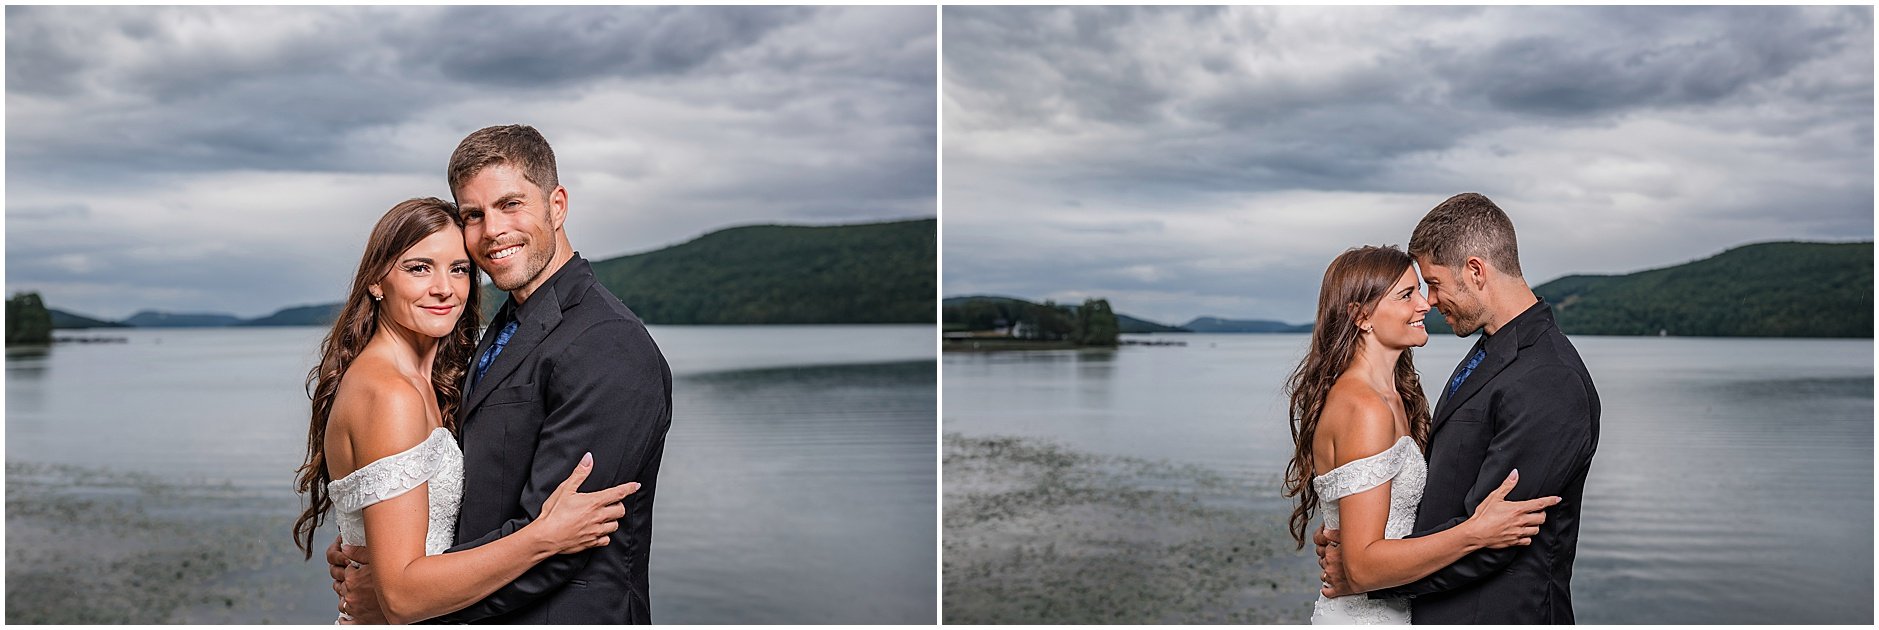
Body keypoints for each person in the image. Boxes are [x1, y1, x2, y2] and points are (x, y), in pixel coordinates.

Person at [328, 125, 675, 624]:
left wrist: (397, 599)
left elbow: (563, 544)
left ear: (557, 206)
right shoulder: (503, 328)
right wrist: (376, 548)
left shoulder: (606, 343)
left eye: (510, 204)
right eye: (473, 214)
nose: (492, 231)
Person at [1315, 193, 1601, 624]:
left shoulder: (1548, 377)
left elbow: (1499, 538)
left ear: (1475, 271)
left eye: (1432, 283)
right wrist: (1361, 540)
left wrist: (1365, 576)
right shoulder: (1490, 353)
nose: (1428, 302)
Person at [1284, 245, 1558, 624]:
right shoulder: (1366, 409)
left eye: (1422, 290)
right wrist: (1475, 532)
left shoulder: (1395, 395)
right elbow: (1363, 568)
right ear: (1362, 316)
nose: (1425, 304)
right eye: (1407, 295)